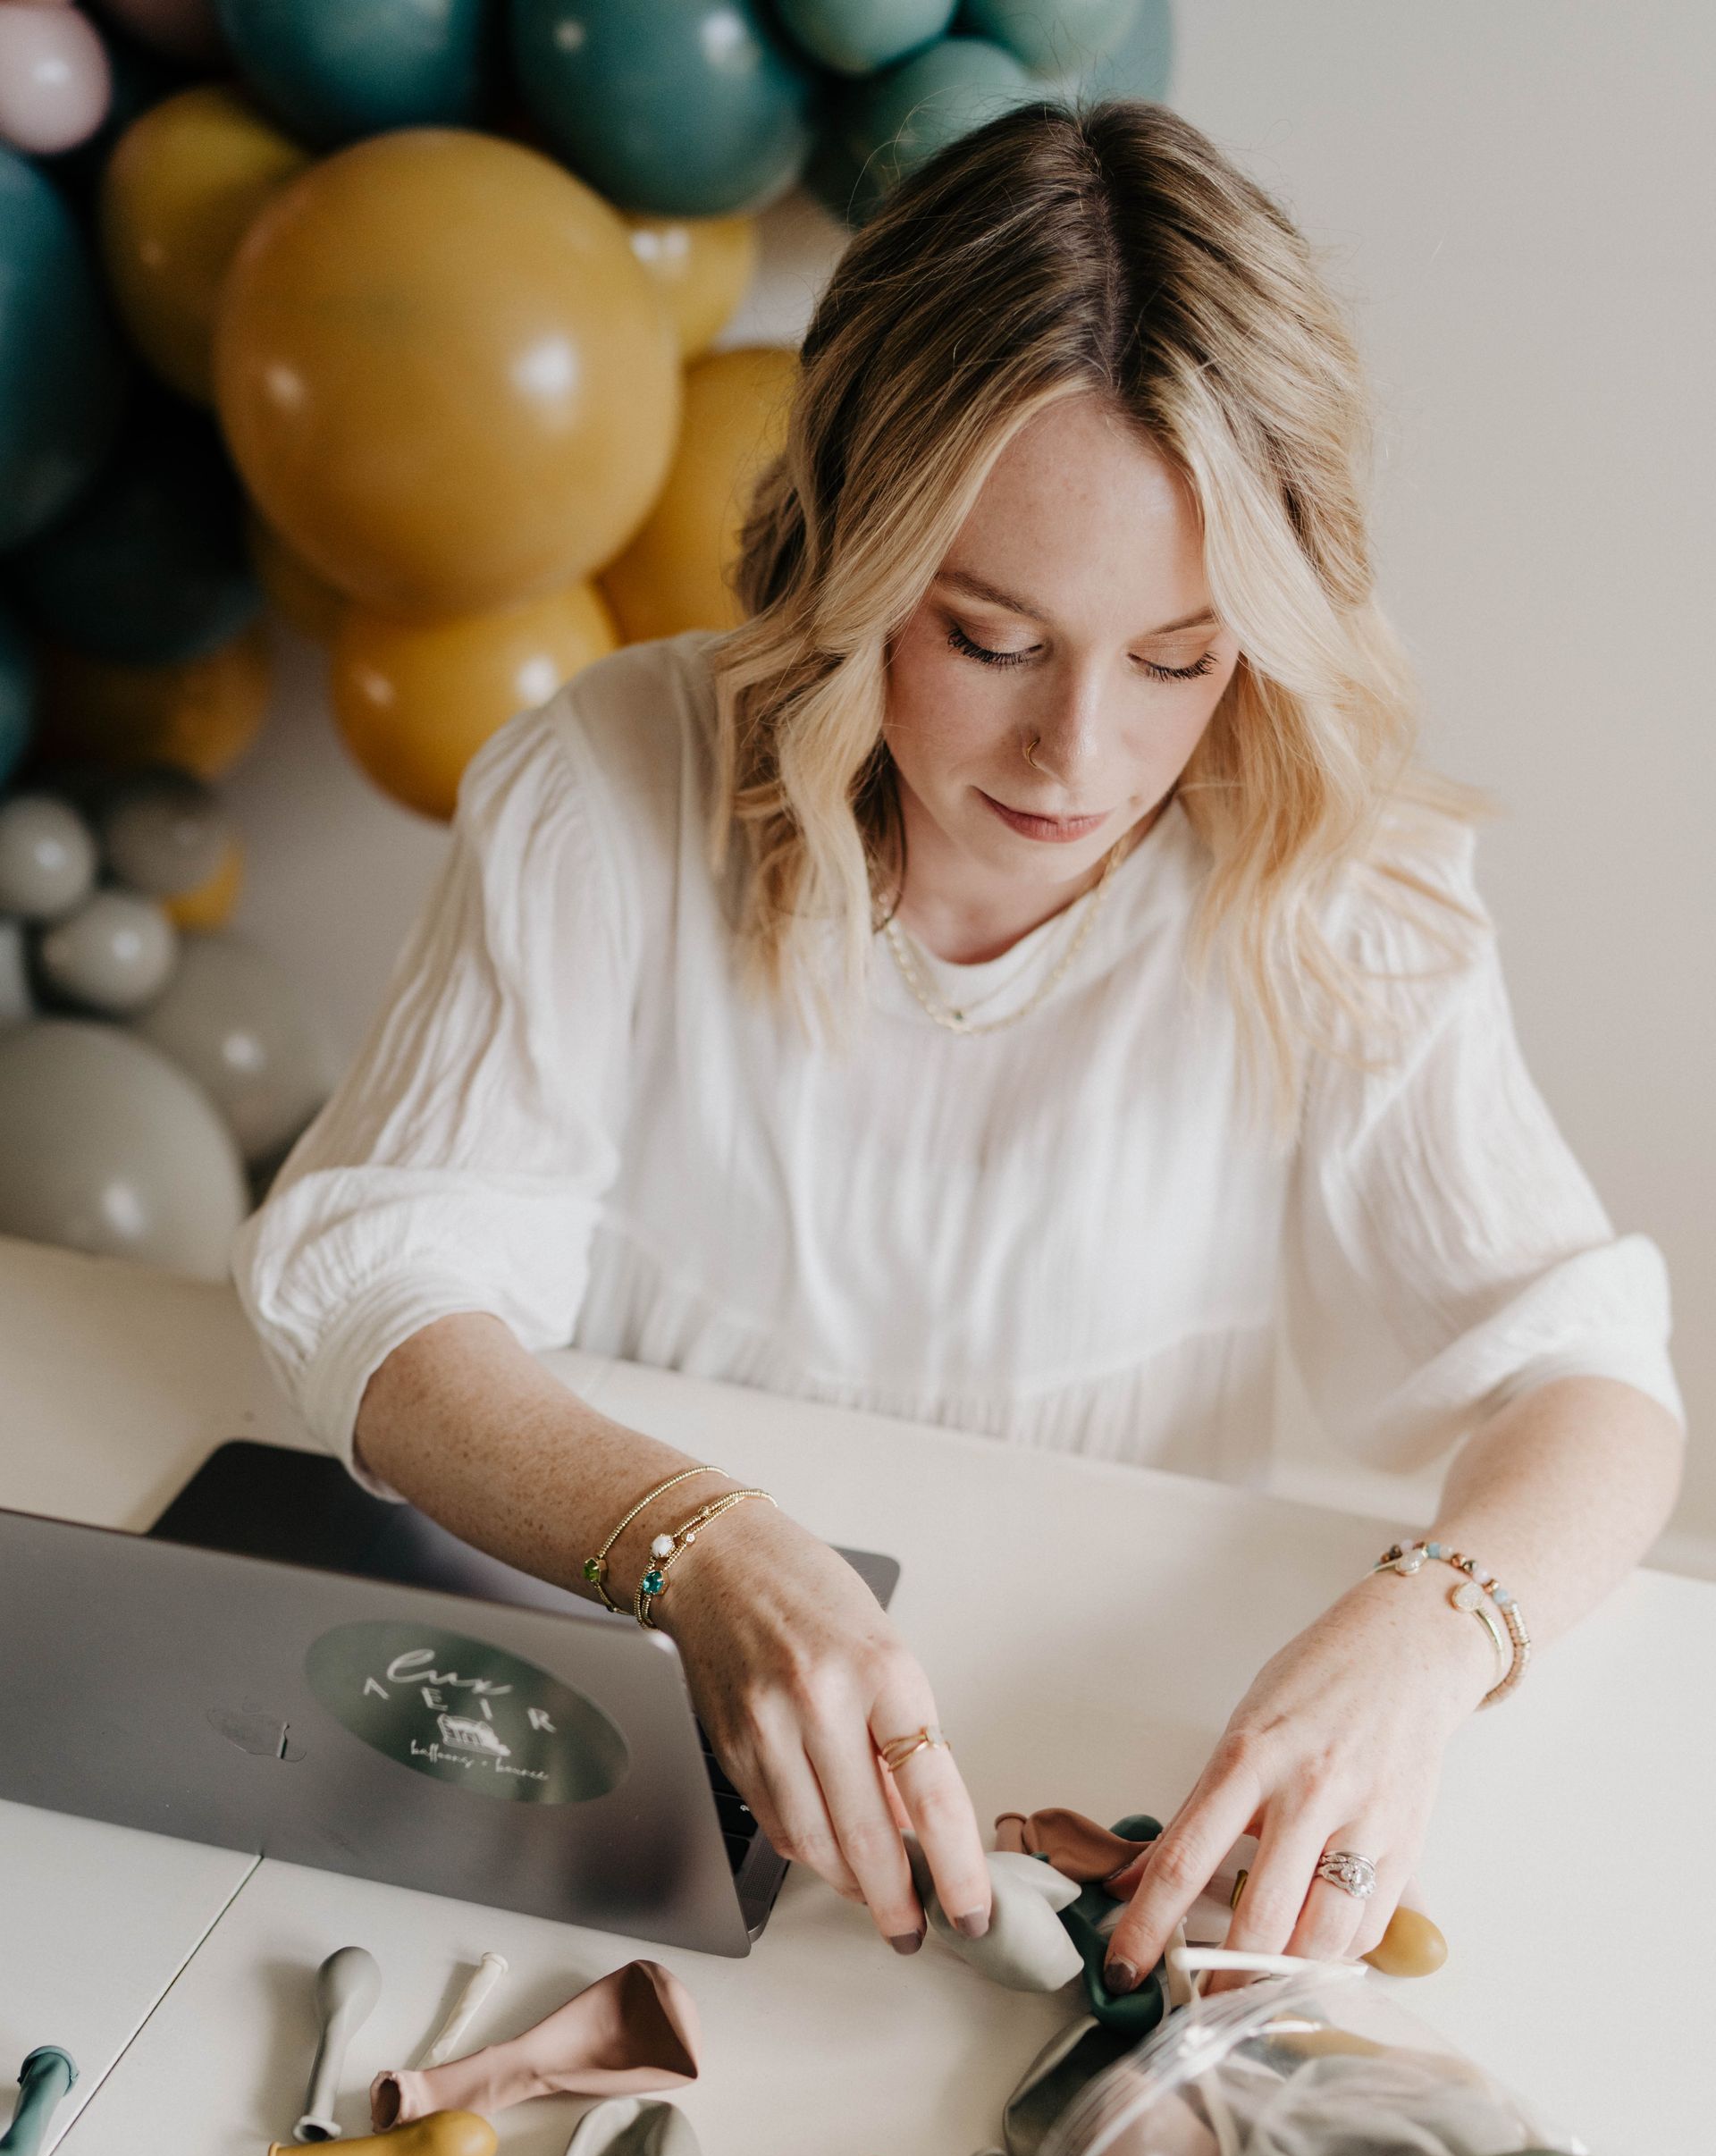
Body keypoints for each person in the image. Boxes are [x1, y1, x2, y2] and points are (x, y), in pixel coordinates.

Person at [233, 99, 1684, 1991]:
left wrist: (1428, 1629)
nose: (1080, 759)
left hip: (1061, 1796)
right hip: (602, 1764)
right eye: (992, 638)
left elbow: (1587, 1376)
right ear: (851, 557)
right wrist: (709, 1549)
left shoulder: (1339, 887)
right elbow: (369, 1286)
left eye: (1179, 656)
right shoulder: (605, 784)